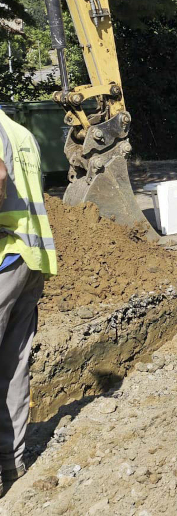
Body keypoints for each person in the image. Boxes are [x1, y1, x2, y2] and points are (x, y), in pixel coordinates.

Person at [0, 109, 57, 497]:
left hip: (4, 257)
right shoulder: (20, 132)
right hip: (29, 258)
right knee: (13, 365)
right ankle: (11, 463)